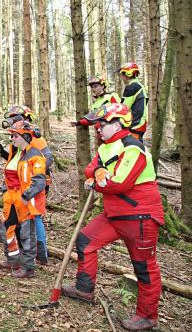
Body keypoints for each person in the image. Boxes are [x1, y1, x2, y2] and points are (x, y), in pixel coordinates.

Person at [62, 103, 163, 331]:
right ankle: (84, 289)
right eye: (97, 124)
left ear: (117, 123)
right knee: (85, 241)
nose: (98, 128)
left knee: (144, 267)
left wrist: (97, 180)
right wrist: (97, 173)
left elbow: (118, 183)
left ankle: (148, 316)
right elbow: (91, 169)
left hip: (140, 217)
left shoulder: (133, 147)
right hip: (114, 215)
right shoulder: (105, 147)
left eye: (102, 124)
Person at [0, 105, 52, 265]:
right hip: (17, 187)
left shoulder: (36, 138)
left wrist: (33, 172)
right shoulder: (17, 138)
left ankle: (41, 254)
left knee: (34, 218)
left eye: (16, 117)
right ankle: (18, 255)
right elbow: (17, 161)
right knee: (14, 221)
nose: (13, 121)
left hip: (33, 185)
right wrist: (3, 153)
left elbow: (47, 157)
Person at [118, 63, 148, 142]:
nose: (121, 77)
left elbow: (123, 107)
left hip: (135, 124)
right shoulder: (138, 85)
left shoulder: (132, 87)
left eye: (122, 74)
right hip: (139, 123)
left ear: (127, 74)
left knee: (133, 149)